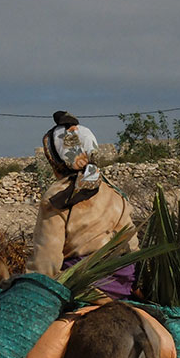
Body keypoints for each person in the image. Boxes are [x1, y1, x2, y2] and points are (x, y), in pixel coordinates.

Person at [27, 111, 138, 299]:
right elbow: (132, 246)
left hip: (83, 289)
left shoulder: (57, 199)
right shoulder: (113, 192)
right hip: (123, 287)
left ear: (56, 159)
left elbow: (46, 263)